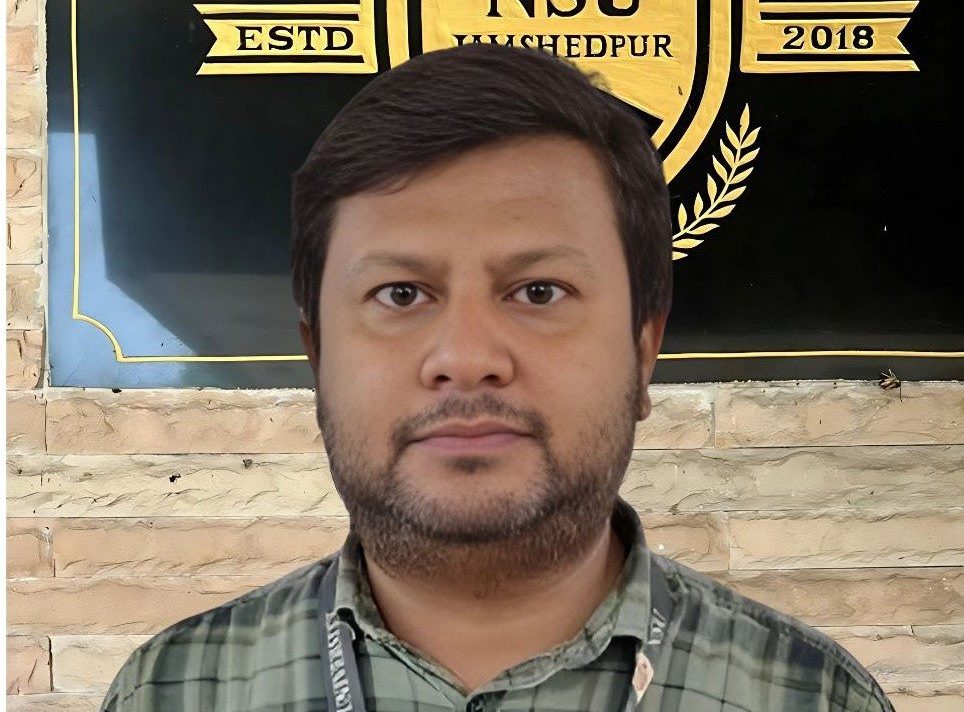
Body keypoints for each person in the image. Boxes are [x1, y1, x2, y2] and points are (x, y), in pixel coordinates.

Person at [101, 43, 893, 712]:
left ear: (643, 349)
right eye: (401, 294)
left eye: (538, 292)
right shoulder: (173, 692)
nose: (466, 355)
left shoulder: (815, 698)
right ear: (317, 356)